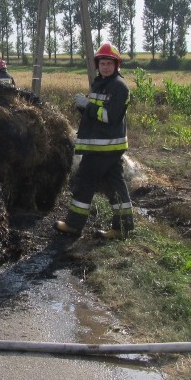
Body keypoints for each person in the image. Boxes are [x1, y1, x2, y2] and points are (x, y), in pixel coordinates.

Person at [54, 42, 134, 239]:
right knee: (115, 184)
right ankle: (122, 228)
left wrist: (87, 106)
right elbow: (96, 114)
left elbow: (110, 117)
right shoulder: (101, 83)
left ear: (117, 65)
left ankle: (73, 225)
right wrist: (83, 108)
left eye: (109, 63)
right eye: (102, 63)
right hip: (103, 146)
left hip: (105, 147)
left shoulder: (118, 86)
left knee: (84, 181)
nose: (105, 67)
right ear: (97, 65)